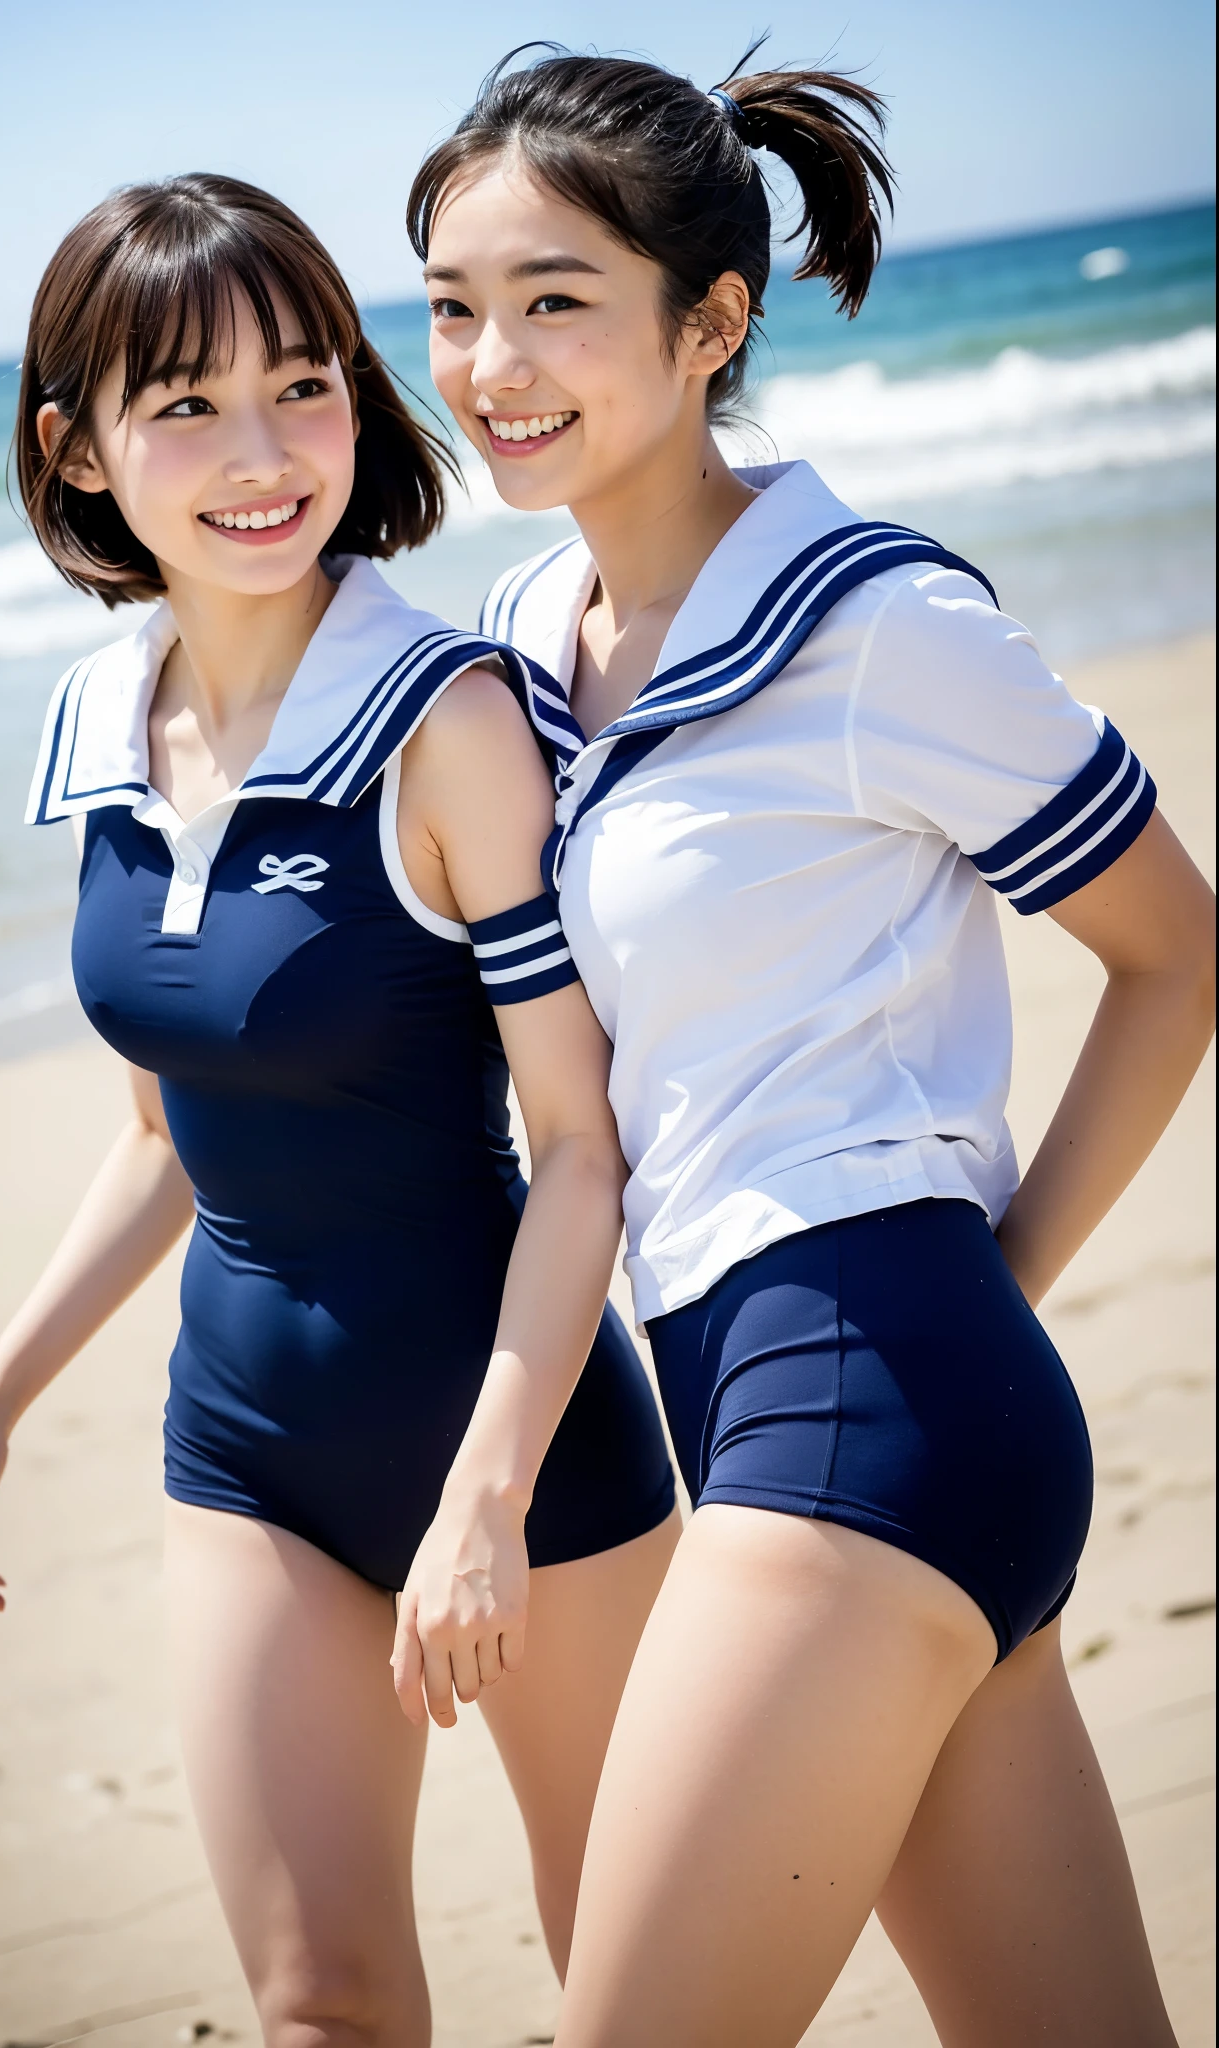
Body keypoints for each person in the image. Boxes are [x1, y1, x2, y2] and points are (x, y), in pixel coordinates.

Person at [395, 45, 1216, 2046]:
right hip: (781, 1405)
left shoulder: (875, 624)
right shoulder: (514, 647)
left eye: (552, 299)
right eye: (446, 304)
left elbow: (1176, 957)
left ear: (711, 321)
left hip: (868, 1406)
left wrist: (981, 1293)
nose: (489, 359)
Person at [0, 173, 679, 2046]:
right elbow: (167, 1135)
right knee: (318, 2004)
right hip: (242, 1449)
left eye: (305, 383)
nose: (264, 454)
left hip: (529, 1455)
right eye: (186, 407)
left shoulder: (444, 719)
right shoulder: (102, 721)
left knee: (644, 1999)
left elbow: (582, 1149)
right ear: (76, 453)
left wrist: (483, 1502)